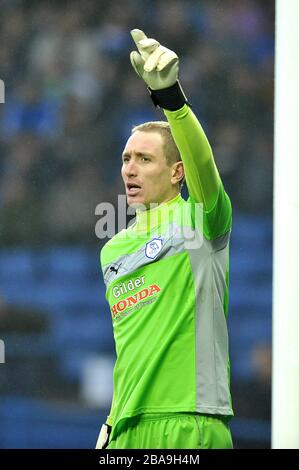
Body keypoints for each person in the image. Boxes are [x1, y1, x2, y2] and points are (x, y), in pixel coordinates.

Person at [96, 29, 233, 449]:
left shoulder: (201, 219)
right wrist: (109, 423)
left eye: (144, 158)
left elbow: (203, 164)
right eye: (126, 159)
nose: (130, 169)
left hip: (190, 422)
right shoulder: (112, 250)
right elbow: (133, 351)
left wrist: (170, 97)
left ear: (176, 172)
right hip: (124, 430)